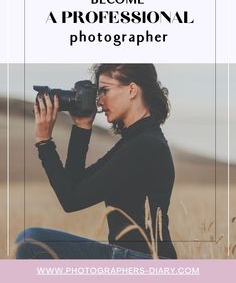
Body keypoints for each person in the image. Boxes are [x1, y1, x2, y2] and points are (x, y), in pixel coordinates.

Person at [15, 64, 177, 259]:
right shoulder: (137, 141)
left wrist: (44, 142)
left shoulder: (145, 146)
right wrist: (82, 127)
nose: (99, 102)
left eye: (105, 91)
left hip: (145, 262)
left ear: (132, 90)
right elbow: (74, 184)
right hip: (134, 258)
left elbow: (71, 199)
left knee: (31, 242)